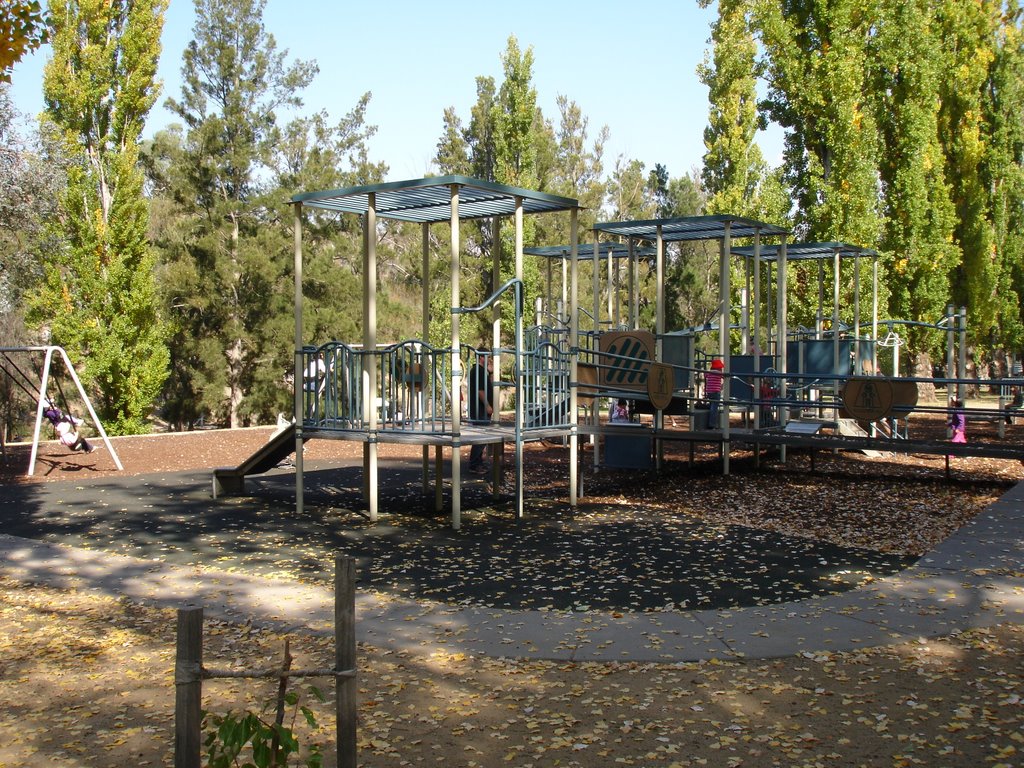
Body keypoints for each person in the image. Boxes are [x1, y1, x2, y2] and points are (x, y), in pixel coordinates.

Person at [467, 350, 493, 474]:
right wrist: (487, 405)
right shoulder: (478, 371)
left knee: (483, 437)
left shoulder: (482, 371)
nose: (491, 358)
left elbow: (489, 386)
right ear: (482, 357)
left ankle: (477, 462)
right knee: (480, 438)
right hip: (479, 409)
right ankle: (474, 464)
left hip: (481, 409)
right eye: (488, 356)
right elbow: (480, 391)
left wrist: (491, 372)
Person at [705, 358, 724, 429]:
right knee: (714, 409)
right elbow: (725, 377)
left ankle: (712, 423)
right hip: (716, 392)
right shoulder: (719, 373)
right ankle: (712, 424)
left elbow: (705, 375)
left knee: (712, 406)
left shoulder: (709, 372)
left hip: (709, 392)